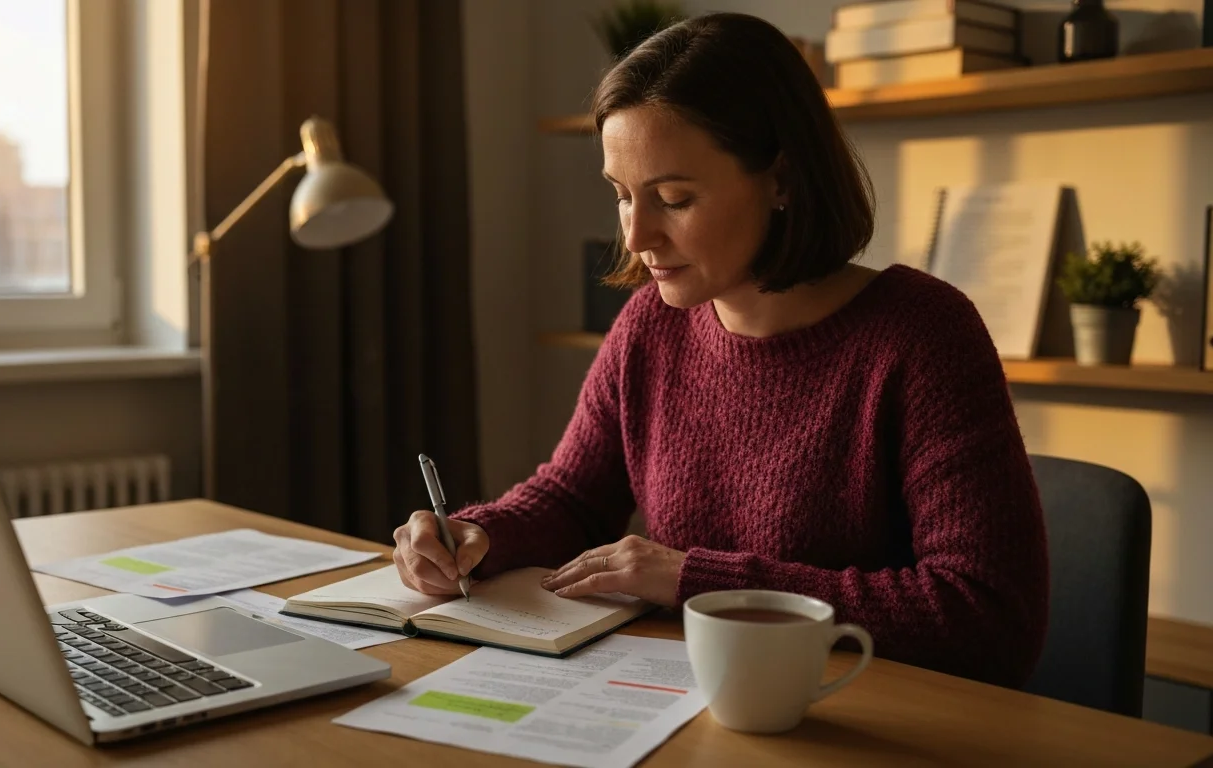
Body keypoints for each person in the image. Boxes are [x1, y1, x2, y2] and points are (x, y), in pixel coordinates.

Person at [391, 12, 1049, 688]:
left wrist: (698, 579)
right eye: (622, 195)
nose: (639, 233)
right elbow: (573, 497)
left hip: (862, 717)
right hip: (699, 700)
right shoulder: (652, 323)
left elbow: (989, 619)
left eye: (674, 198)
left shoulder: (922, 335)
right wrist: (472, 534)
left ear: (783, 180)